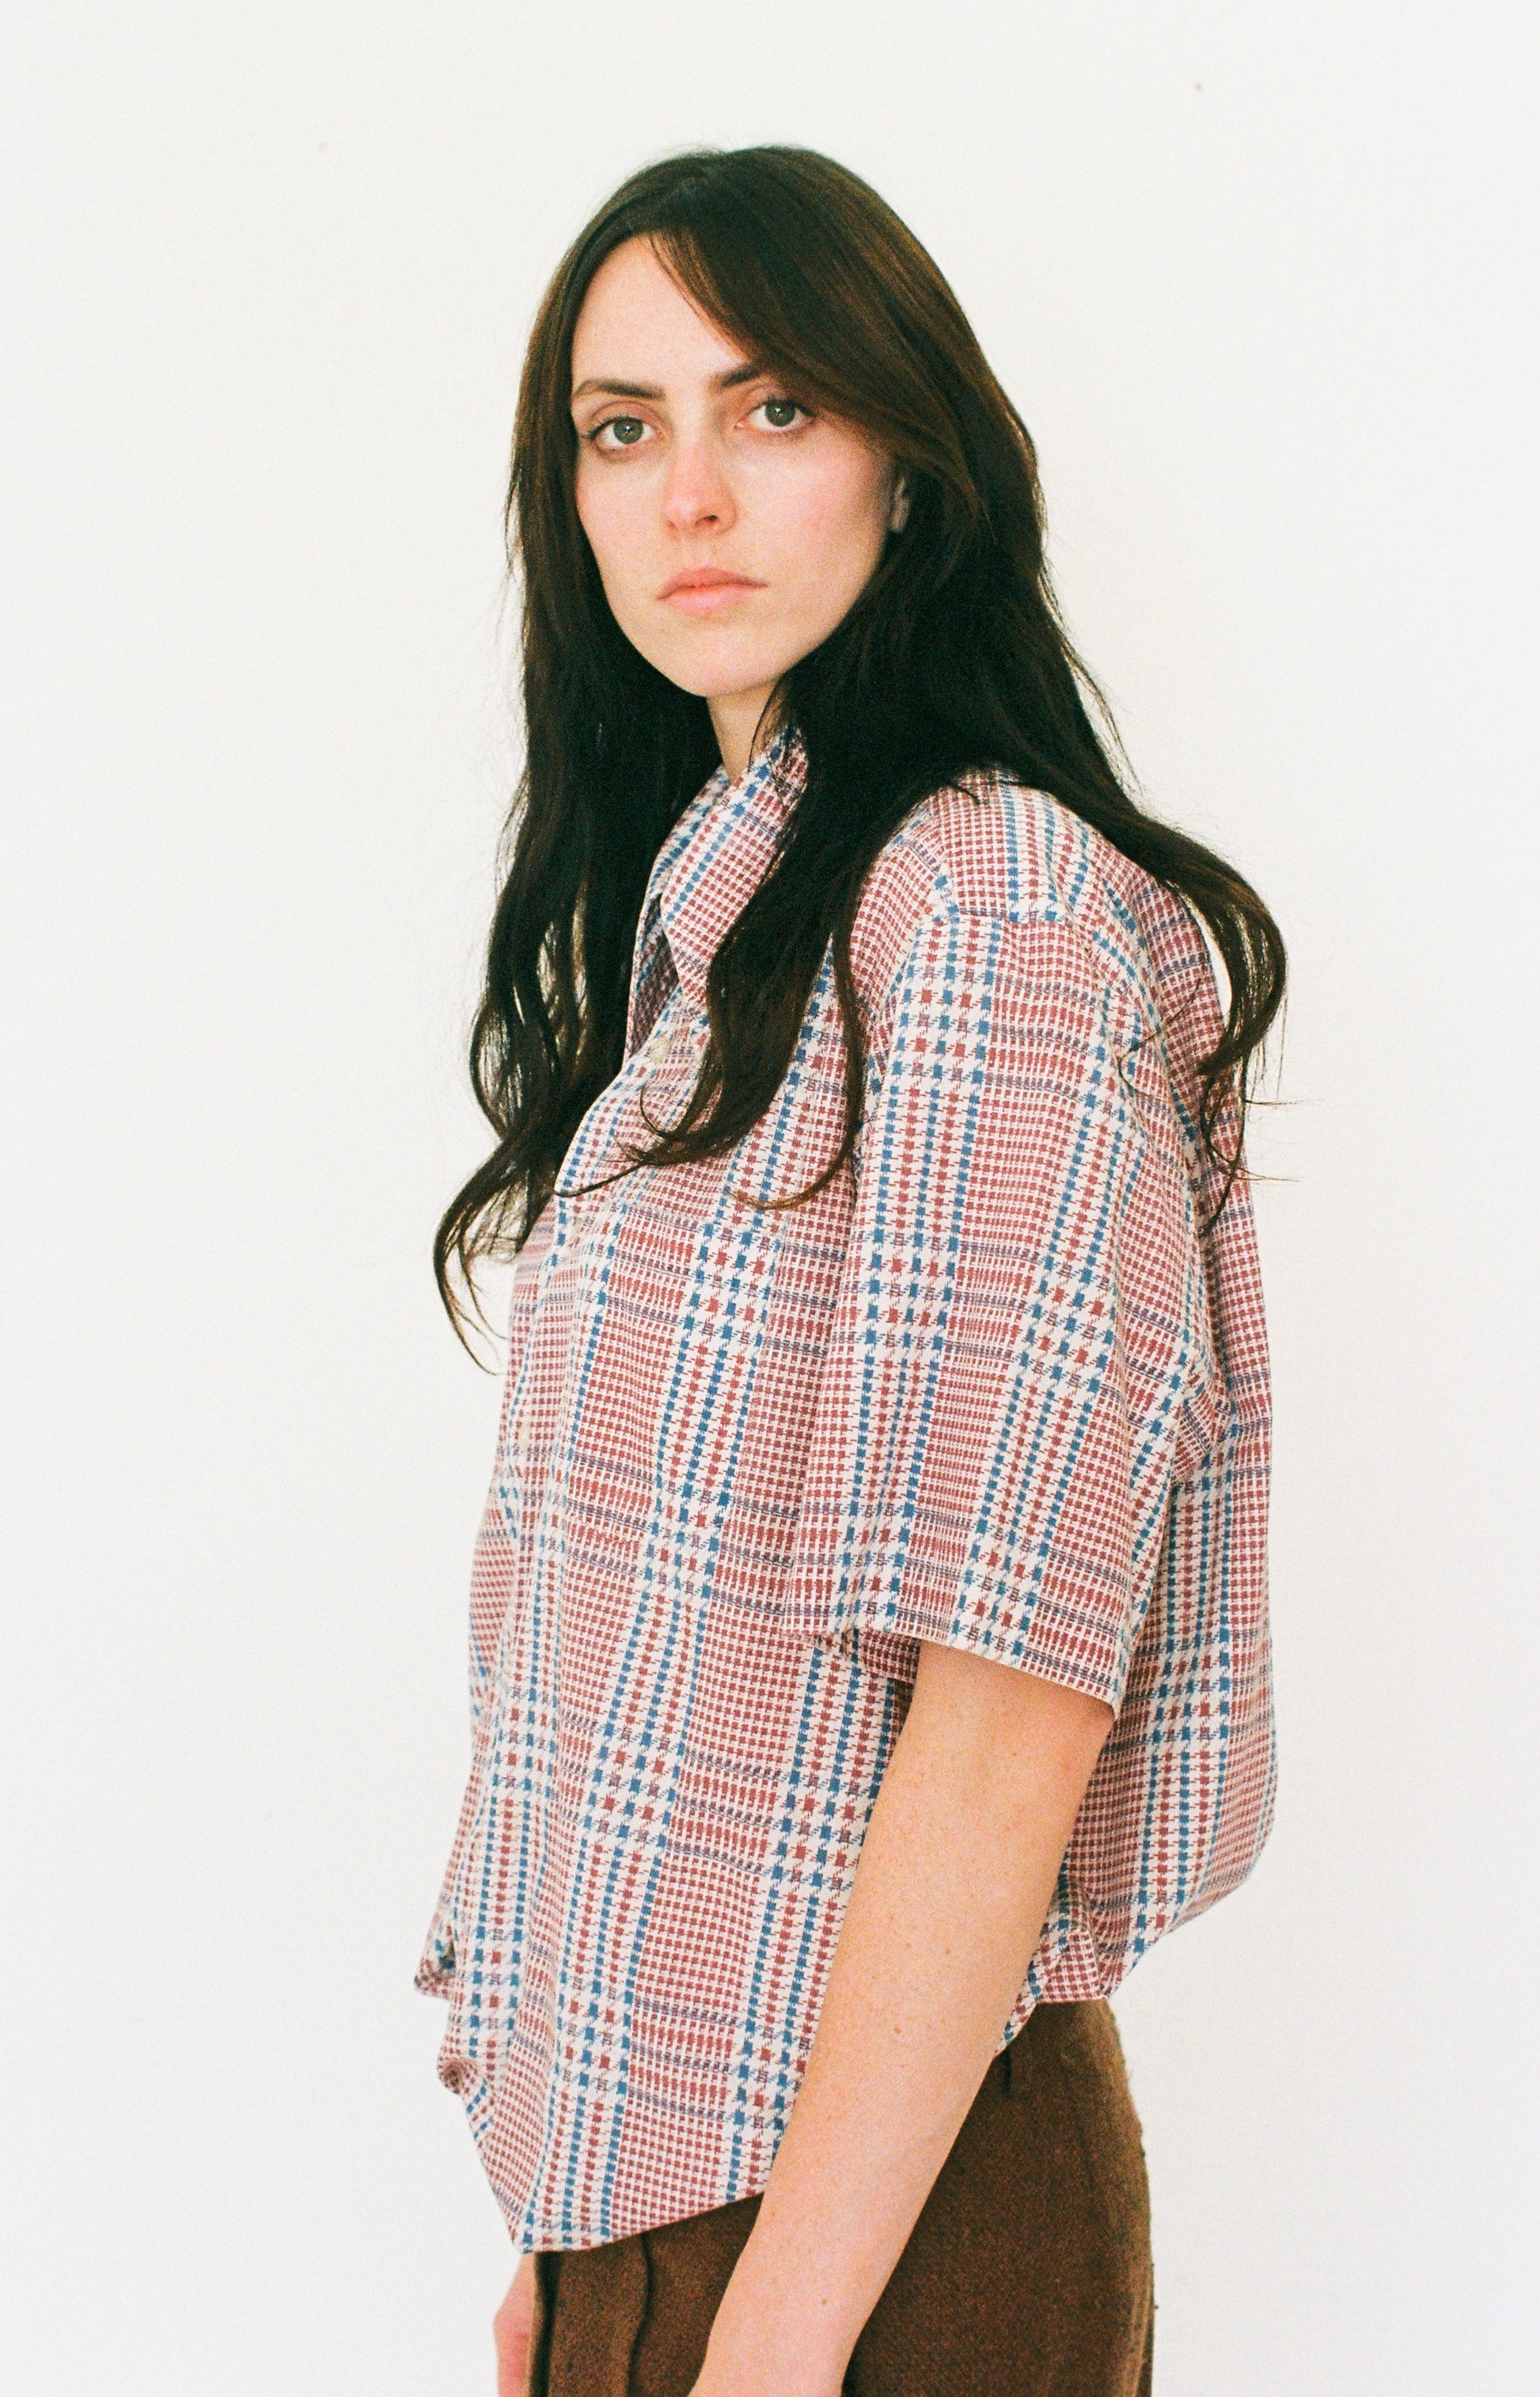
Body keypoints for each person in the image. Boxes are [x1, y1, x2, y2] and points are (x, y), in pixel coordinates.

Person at [418, 145, 1284, 2397]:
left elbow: (1008, 1704)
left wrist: (770, 2345)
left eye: (774, 407)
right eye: (624, 426)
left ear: (910, 464)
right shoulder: (717, 950)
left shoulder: (981, 919)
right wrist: (577, 2254)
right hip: (665, 2219)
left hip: (869, 2255)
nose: (690, 488)